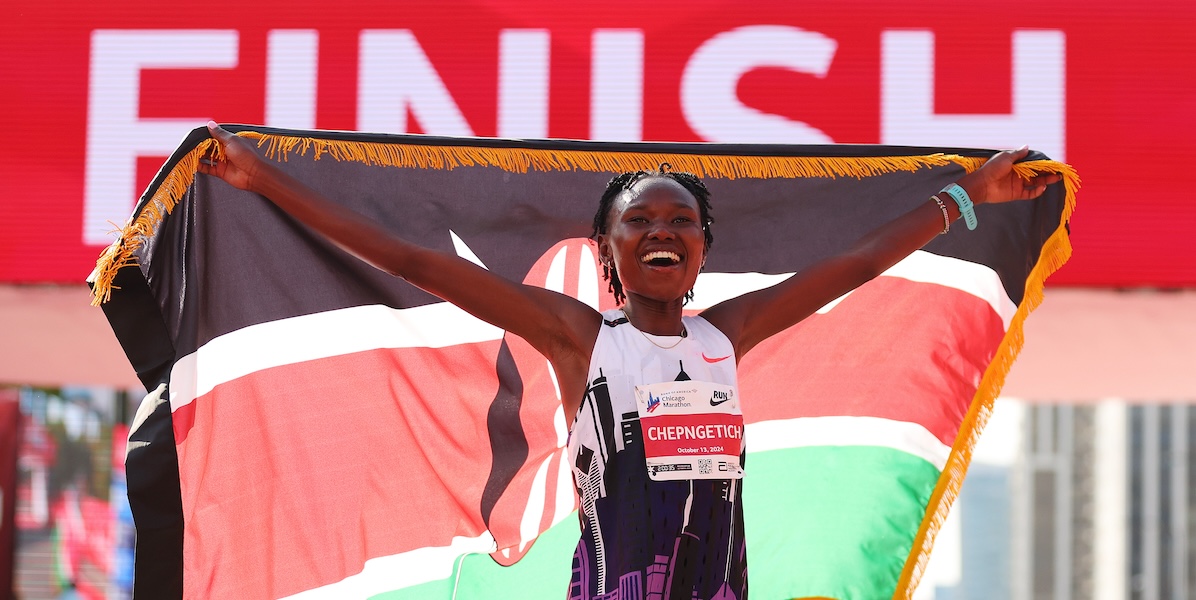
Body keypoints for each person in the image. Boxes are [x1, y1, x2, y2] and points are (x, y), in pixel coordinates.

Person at [199, 122, 1059, 599]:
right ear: (609, 256)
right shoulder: (581, 338)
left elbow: (860, 265)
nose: (662, 232)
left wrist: (967, 197)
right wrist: (268, 183)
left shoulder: (729, 334)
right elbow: (422, 265)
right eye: (640, 222)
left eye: (681, 222)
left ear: (701, 253)